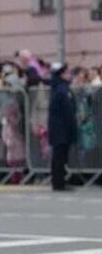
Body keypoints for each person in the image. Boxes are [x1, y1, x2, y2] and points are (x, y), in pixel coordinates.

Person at [48, 63, 77, 191]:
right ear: (62, 74)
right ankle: (58, 182)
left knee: (60, 156)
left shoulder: (60, 87)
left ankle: (59, 181)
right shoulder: (62, 89)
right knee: (59, 156)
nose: (70, 75)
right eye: (67, 73)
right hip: (62, 128)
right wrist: (72, 125)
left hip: (59, 127)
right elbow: (67, 110)